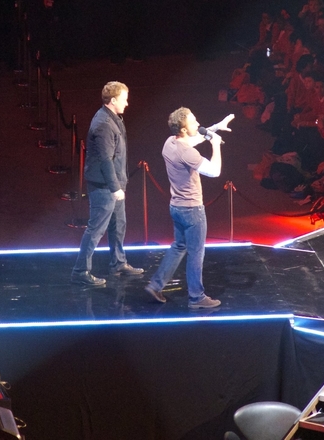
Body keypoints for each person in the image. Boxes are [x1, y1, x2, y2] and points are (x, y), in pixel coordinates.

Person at [144, 108, 233, 309]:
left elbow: (193, 139)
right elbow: (215, 171)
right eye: (193, 121)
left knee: (179, 246)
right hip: (192, 210)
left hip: (176, 207)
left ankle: (155, 285)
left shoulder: (170, 143)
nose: (197, 123)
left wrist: (215, 128)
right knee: (196, 253)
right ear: (183, 129)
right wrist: (216, 145)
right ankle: (196, 296)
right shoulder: (187, 152)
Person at [71, 81, 143, 286]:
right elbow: (105, 160)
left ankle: (118, 262)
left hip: (115, 183)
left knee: (118, 225)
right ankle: (80, 270)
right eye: (124, 99)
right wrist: (115, 188)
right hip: (104, 186)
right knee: (96, 229)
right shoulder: (103, 124)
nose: (127, 103)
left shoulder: (114, 118)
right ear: (113, 101)